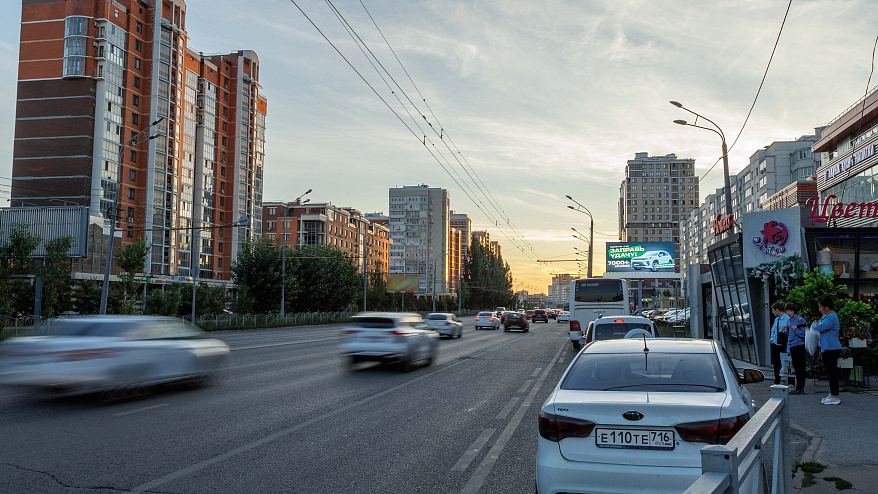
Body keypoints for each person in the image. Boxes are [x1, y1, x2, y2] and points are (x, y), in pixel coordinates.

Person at [814, 296, 842, 405]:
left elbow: (819, 327)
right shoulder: (826, 317)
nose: (819, 309)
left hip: (831, 348)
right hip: (828, 348)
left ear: (826, 307)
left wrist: (815, 325)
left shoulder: (831, 317)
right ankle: (832, 394)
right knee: (830, 372)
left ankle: (834, 396)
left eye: (821, 307)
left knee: (832, 373)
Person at [784, 303, 807, 394]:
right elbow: (789, 335)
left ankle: (800, 387)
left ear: (794, 311)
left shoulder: (800, 320)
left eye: (791, 311)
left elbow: (804, 333)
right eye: (787, 311)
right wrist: (786, 331)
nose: (789, 313)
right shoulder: (788, 321)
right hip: (792, 346)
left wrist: (796, 329)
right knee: (796, 367)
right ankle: (798, 387)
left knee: (800, 367)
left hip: (799, 345)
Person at [769, 302, 790, 386]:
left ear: (777, 310)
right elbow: (773, 330)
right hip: (775, 344)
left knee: (787, 363)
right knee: (776, 363)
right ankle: (777, 381)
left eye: (773, 310)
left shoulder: (787, 319)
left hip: (783, 344)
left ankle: (790, 383)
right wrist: (772, 340)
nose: (773, 312)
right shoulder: (776, 319)